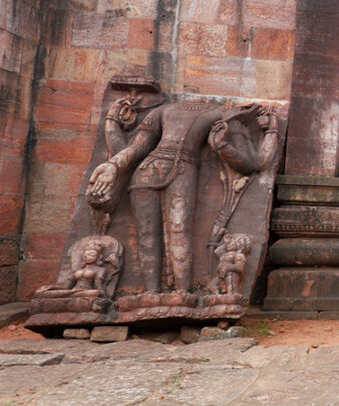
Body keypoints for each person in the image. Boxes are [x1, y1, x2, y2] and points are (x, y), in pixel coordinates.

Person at [86, 98, 277, 293]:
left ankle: (182, 292)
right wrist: (113, 164)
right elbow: (138, 147)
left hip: (179, 170)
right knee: (148, 235)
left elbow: (251, 164)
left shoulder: (223, 114)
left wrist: (225, 143)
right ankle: (151, 293)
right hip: (150, 171)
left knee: (178, 231)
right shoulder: (162, 110)